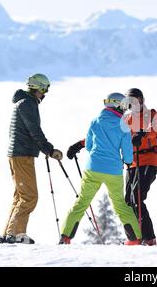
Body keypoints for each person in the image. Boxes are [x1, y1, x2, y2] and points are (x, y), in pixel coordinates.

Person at [60, 93, 142, 245]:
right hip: (113, 171)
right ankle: (135, 239)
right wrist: (128, 161)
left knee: (82, 202)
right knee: (120, 204)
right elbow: (127, 149)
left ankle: (65, 237)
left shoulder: (95, 121)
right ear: (119, 105)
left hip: (93, 168)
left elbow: (89, 146)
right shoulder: (123, 125)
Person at [0, 74, 63, 244]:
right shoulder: (28, 103)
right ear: (38, 88)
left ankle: (9, 233)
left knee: (21, 196)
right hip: (22, 154)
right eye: (45, 89)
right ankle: (15, 234)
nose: (45, 93)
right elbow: (34, 130)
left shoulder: (24, 102)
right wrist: (49, 150)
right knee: (30, 196)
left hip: (19, 154)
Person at [122, 88, 157, 246]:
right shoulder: (126, 119)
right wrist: (82, 144)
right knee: (128, 200)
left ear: (141, 100)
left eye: (135, 100)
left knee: (138, 195)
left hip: (149, 160)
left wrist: (143, 134)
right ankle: (134, 237)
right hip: (132, 163)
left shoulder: (151, 114)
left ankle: (149, 237)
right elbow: (113, 135)